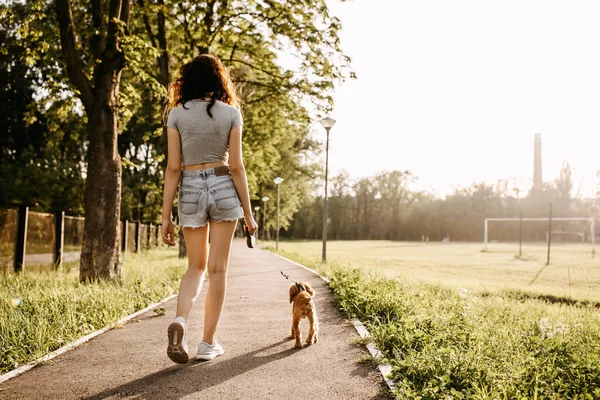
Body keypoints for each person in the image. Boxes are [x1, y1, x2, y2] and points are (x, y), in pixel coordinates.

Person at [160, 54, 258, 364]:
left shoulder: (176, 115)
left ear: (187, 82)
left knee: (196, 266)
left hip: (189, 186)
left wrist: (165, 216)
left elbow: (173, 168)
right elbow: (238, 167)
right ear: (219, 80)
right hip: (222, 184)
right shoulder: (231, 114)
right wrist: (249, 212)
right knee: (218, 269)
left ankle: (181, 321)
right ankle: (207, 343)